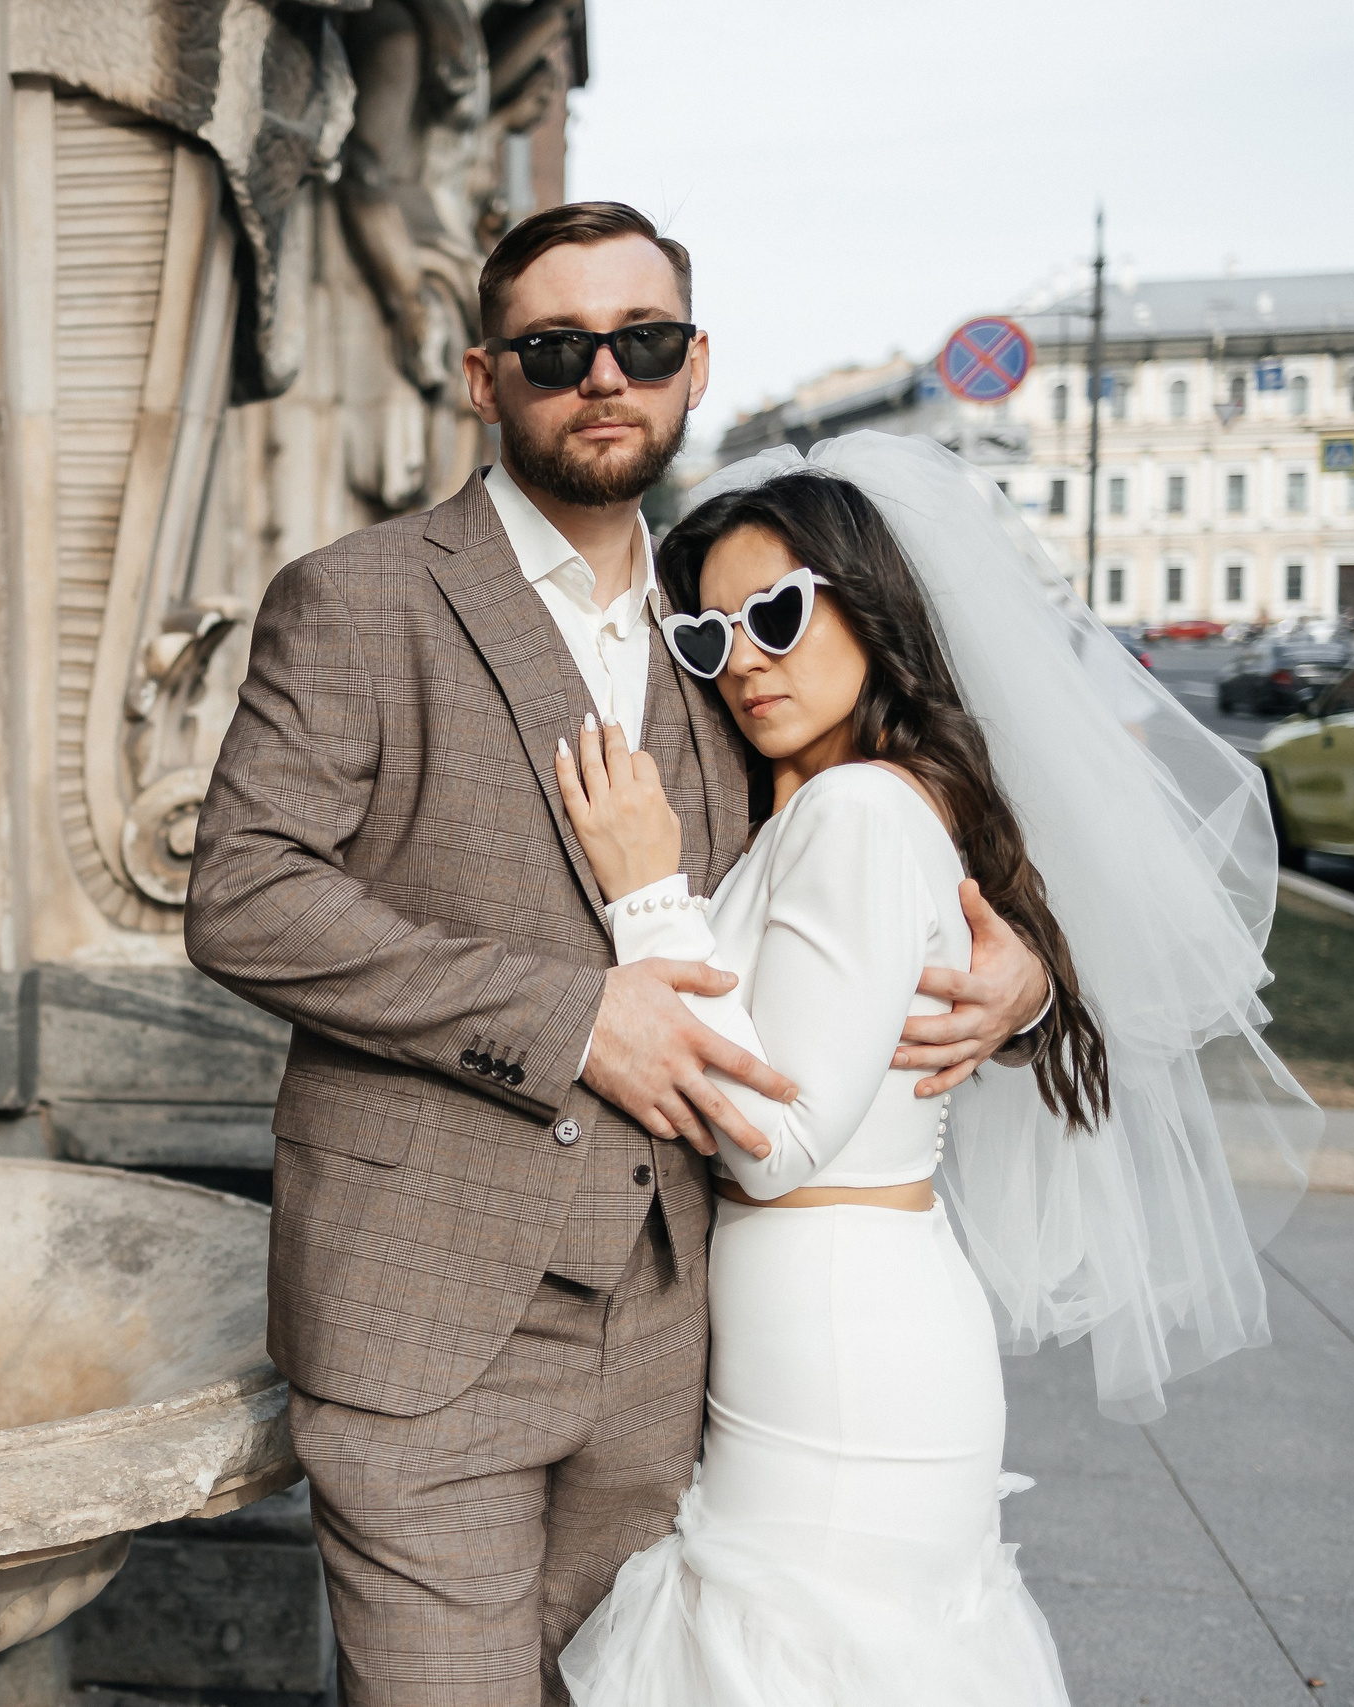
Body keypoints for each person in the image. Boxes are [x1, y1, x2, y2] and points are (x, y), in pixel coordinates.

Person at [183, 203, 1056, 1706]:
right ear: (482, 377)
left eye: (641, 342)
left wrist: (1021, 972)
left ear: (694, 362)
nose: (604, 375)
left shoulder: (726, 632)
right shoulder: (360, 597)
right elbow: (246, 893)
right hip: (426, 1319)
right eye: (554, 347)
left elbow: (880, 820)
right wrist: (572, 1016)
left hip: (679, 1344)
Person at [551, 437, 1312, 1702]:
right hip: (841, 1317)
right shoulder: (839, 803)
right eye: (708, 637)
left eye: (779, 616)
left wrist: (647, 897)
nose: (743, 659)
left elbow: (777, 1137)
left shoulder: (855, 811)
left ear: (870, 608)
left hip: (840, 1340)